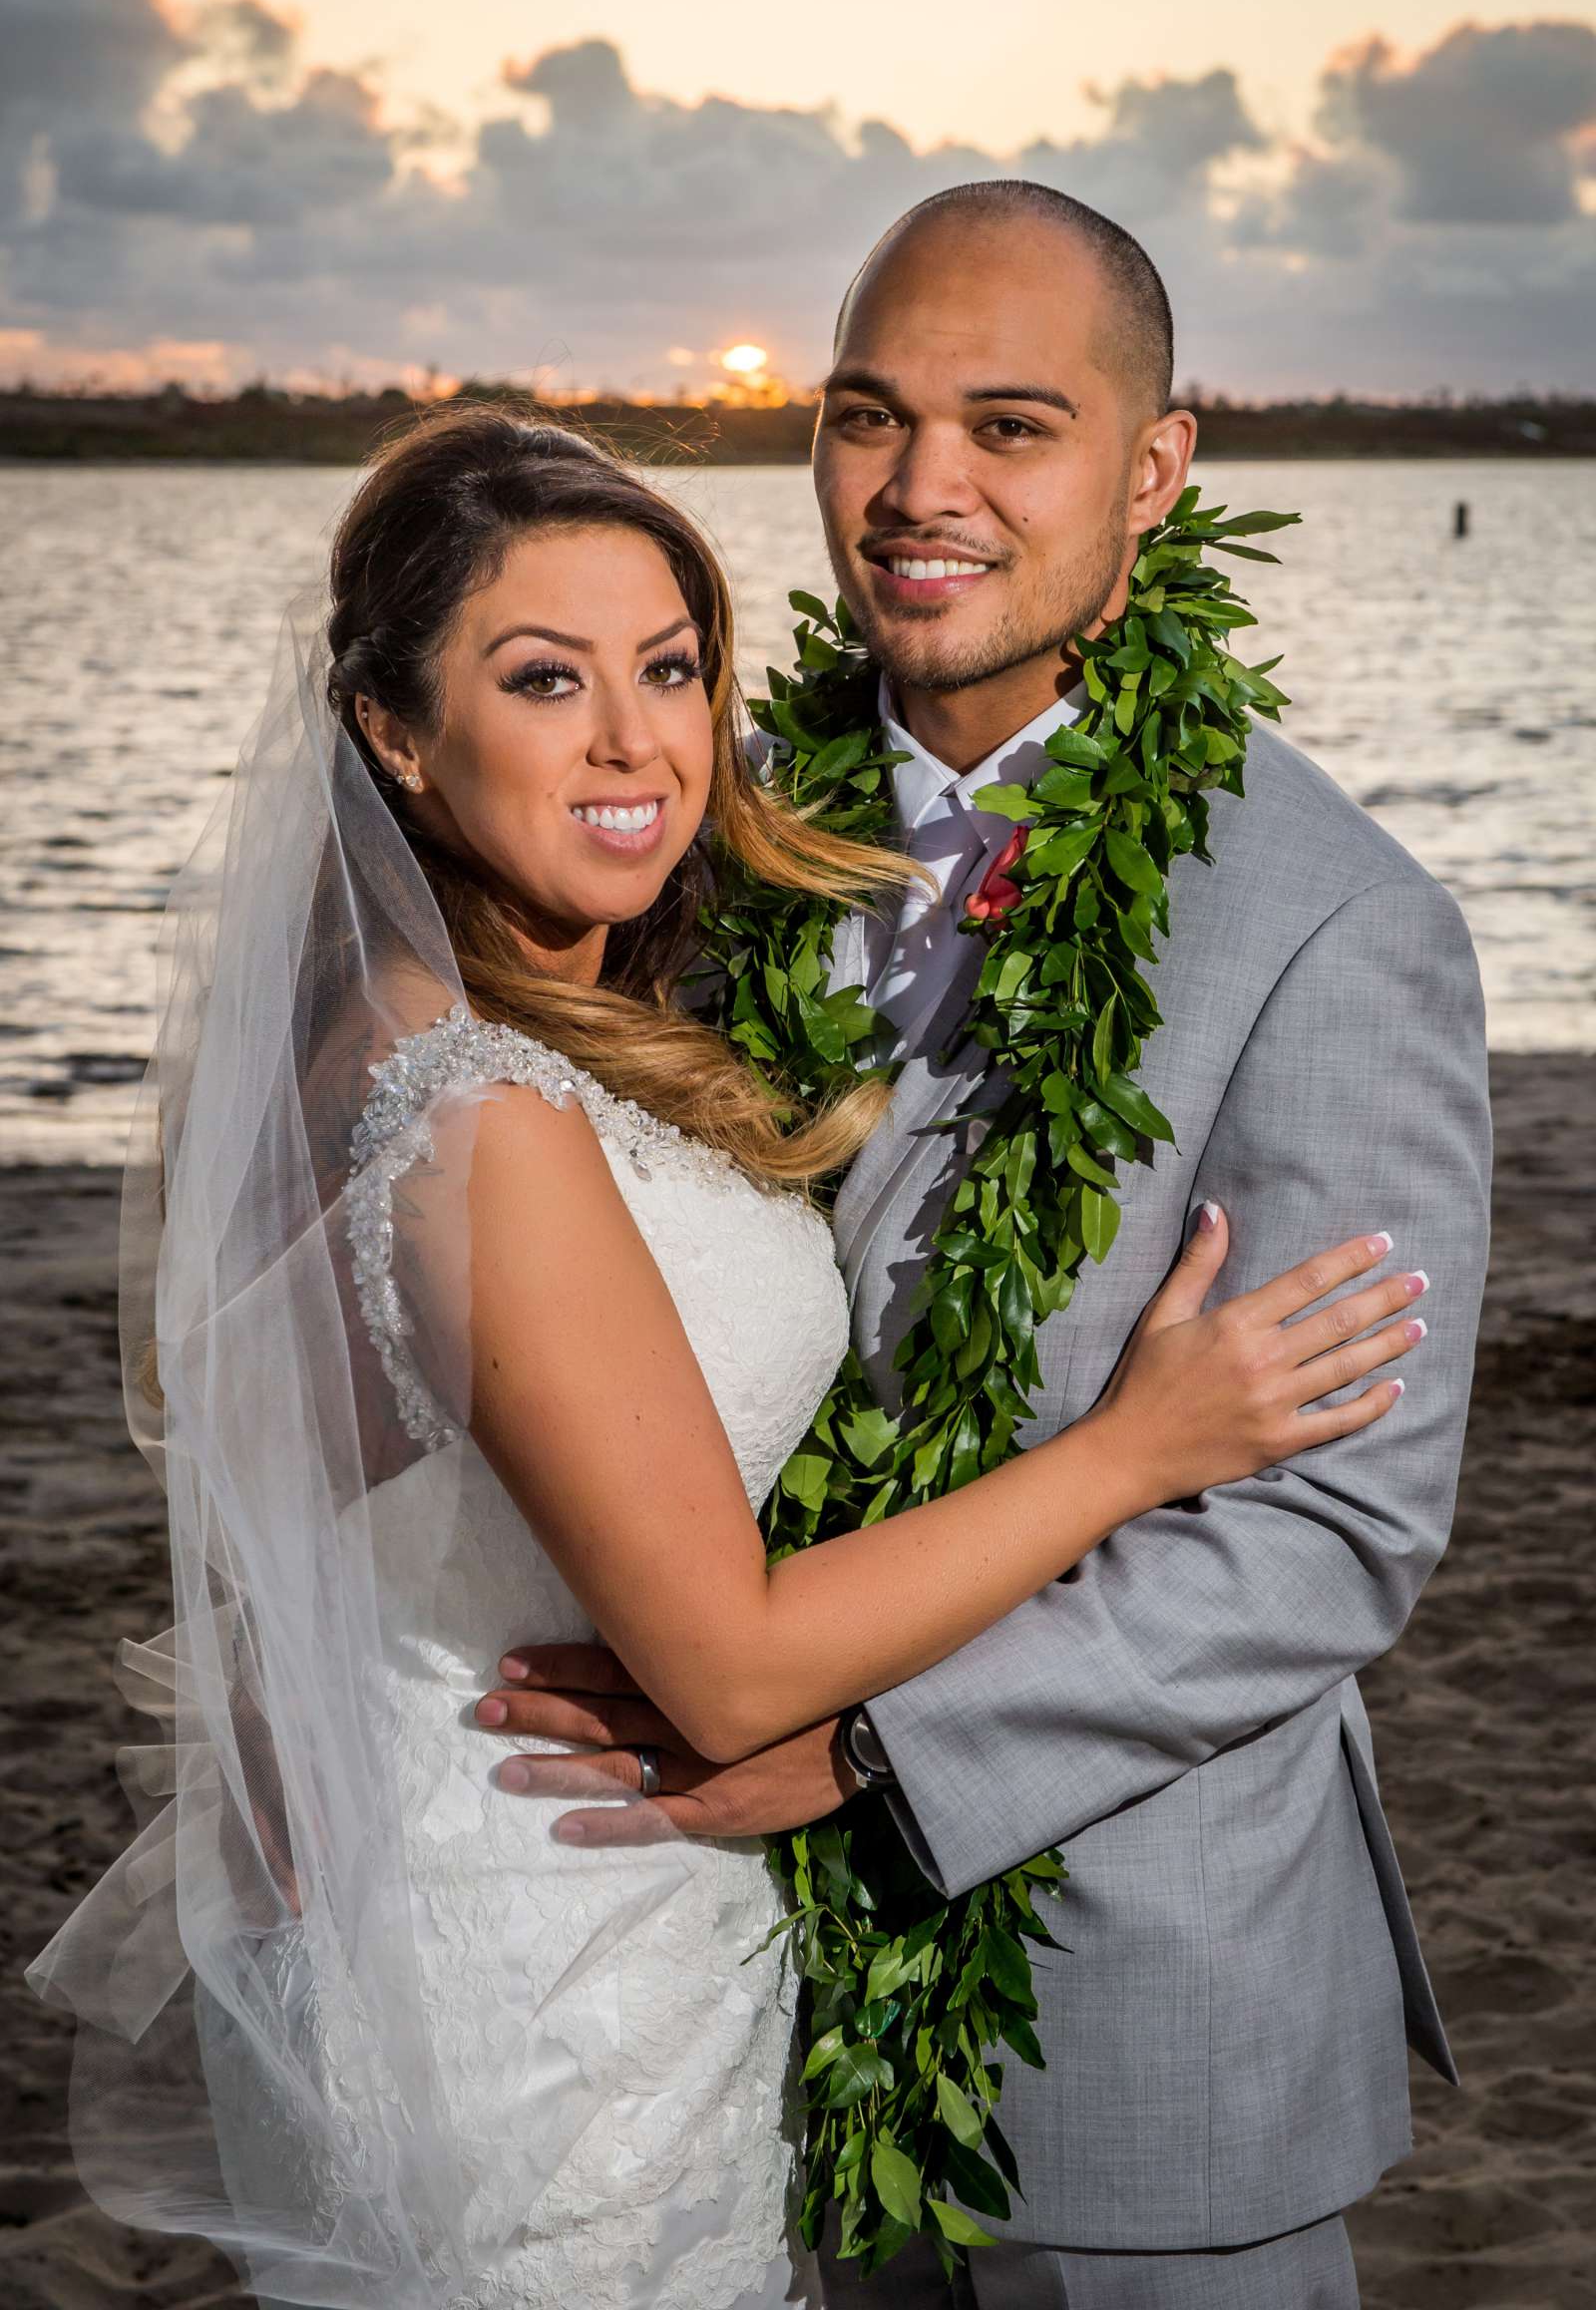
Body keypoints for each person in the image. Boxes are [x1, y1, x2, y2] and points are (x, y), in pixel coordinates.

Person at [29, 403, 1426, 2310]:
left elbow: (309, 1450)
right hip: (551, 1947)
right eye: (545, 679)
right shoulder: (477, 1118)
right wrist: (1135, 1448)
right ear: (394, 733)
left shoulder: (430, 1038)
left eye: (673, 669)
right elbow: (725, 1657)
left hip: (523, 1895)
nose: (639, 741)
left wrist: (296, 1684)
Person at [483, 184, 1493, 2310]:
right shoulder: (700, 827)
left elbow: (1331, 1525)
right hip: (726, 2012)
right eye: (867, 417)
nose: (918, 490)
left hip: (1135, 2024)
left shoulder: (1331, 922)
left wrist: (854, 1752)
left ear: (1152, 473)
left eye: (1007, 428)